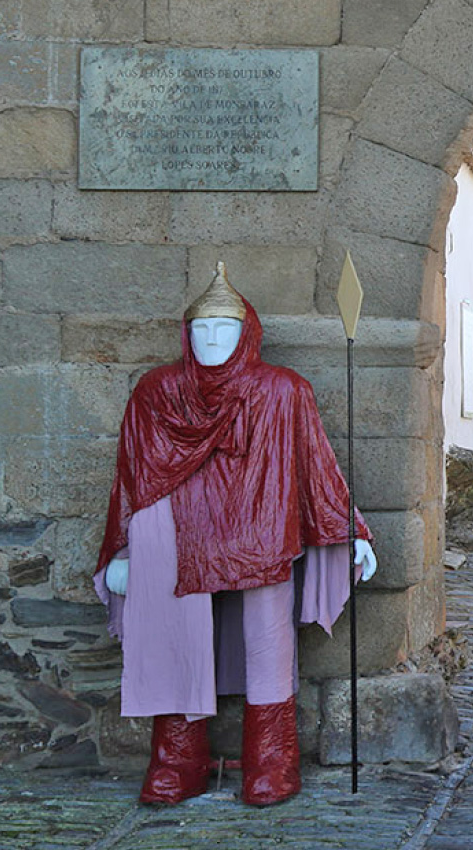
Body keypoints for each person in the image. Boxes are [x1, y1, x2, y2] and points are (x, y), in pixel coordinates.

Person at [95, 264, 378, 807]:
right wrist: (122, 547)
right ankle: (178, 760)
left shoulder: (283, 390)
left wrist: (350, 530)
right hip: (177, 532)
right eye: (201, 330)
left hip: (260, 529)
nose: (211, 340)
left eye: (224, 329)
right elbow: (132, 474)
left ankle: (272, 761)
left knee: (268, 642)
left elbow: (315, 464)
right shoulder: (157, 391)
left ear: (247, 334)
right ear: (186, 334)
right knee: (175, 639)